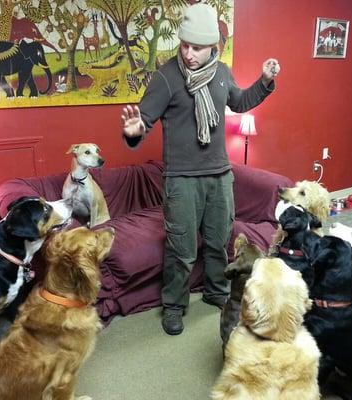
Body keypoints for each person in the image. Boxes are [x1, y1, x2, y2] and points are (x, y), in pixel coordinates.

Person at [121, 3, 280, 335]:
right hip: (181, 180)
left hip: (220, 175)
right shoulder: (166, 77)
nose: (189, 53)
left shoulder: (222, 72)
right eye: (184, 45)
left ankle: (217, 292)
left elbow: (239, 102)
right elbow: (143, 123)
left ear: (213, 48)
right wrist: (134, 129)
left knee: (219, 240)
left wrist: (264, 81)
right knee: (180, 248)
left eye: (197, 47)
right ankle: (175, 306)